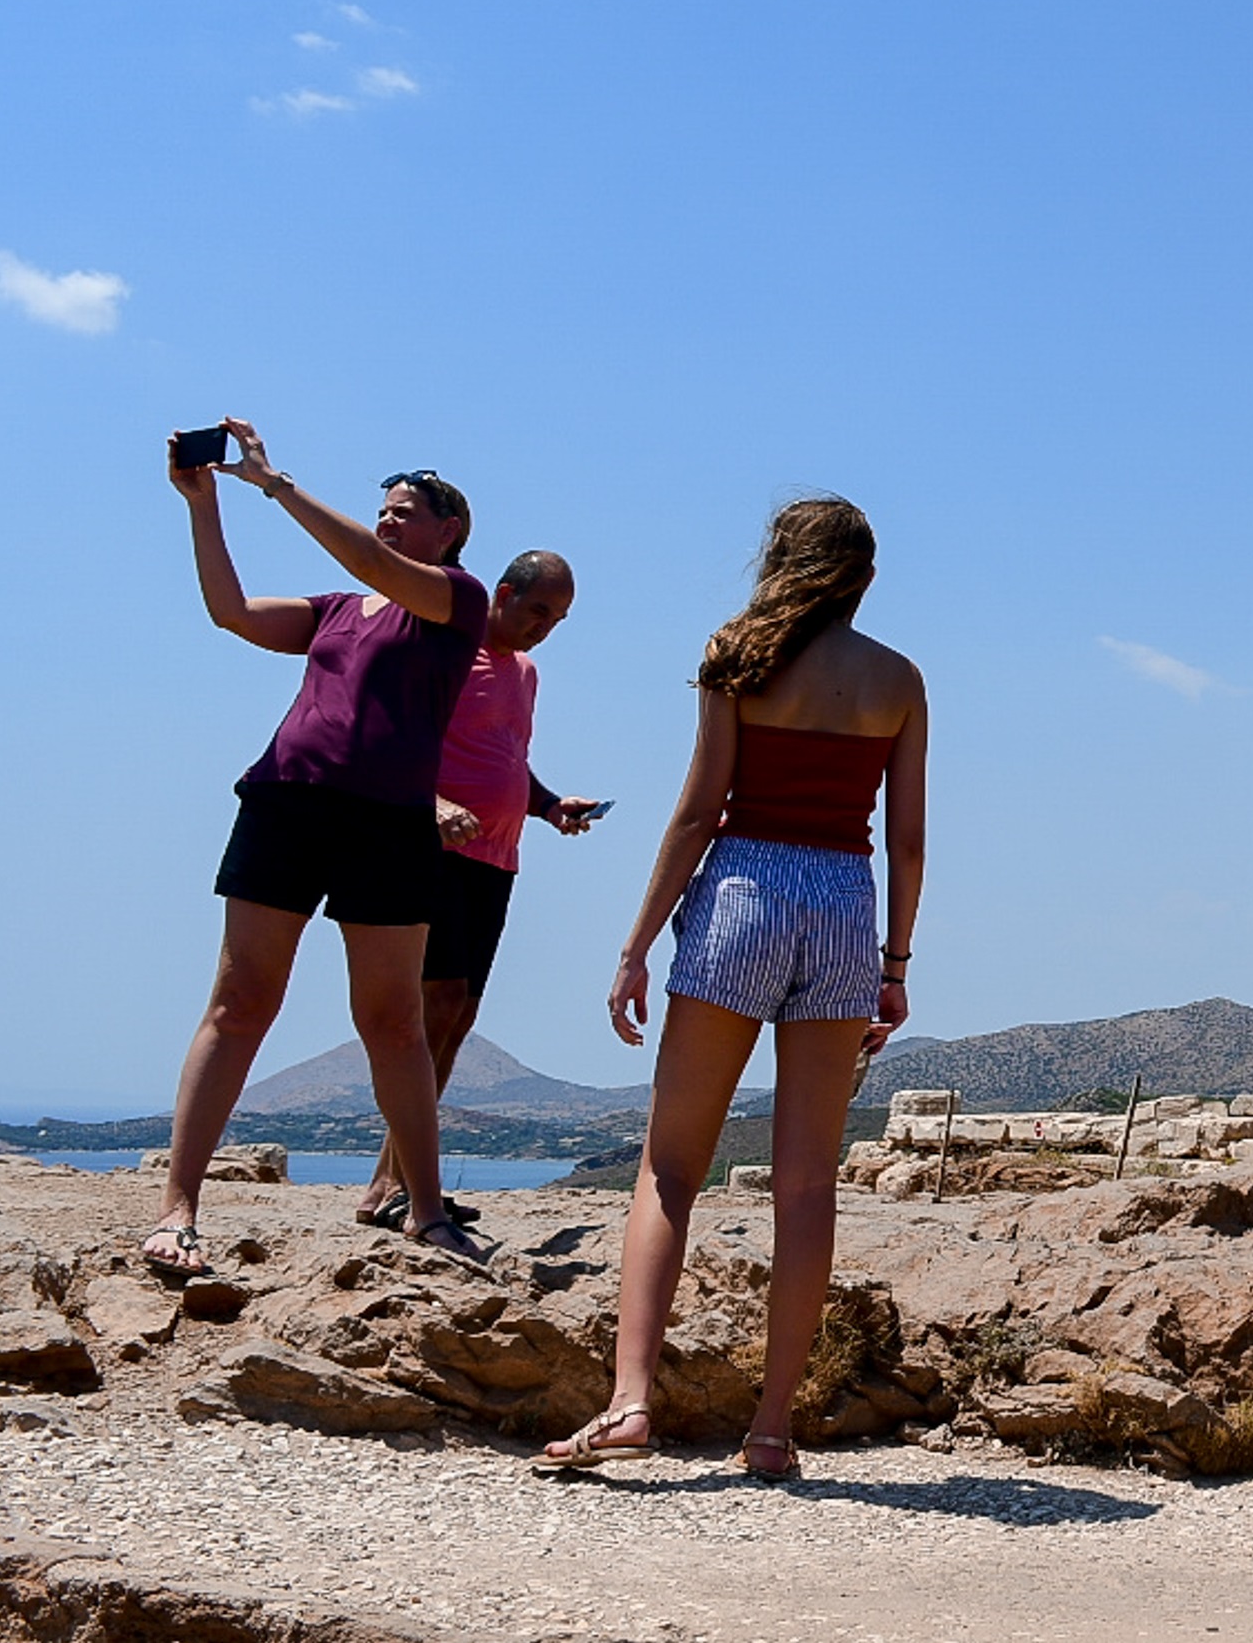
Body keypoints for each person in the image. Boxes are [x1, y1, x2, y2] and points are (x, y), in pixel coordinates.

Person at [540, 496, 923, 1480]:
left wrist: (633, 946)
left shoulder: (734, 653)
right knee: (806, 1187)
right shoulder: (898, 680)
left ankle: (630, 1404)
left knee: (672, 1167)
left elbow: (697, 809)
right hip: (845, 902)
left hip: (744, 890)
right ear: (864, 578)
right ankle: (772, 1430)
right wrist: (896, 965)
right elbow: (910, 838)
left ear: (778, 563)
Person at [156, 421, 497, 1277]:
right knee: (240, 1001)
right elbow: (232, 613)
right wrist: (205, 507)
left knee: (393, 1022)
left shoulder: (458, 598)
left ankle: (423, 1211)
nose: (387, 521)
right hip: (286, 803)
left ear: (447, 529)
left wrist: (276, 484)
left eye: (404, 510)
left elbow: (377, 569)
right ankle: (178, 1209)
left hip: (387, 822)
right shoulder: (338, 613)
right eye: (382, 509)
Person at [350, 550, 607, 1231]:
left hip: (496, 860)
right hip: (434, 849)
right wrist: (432, 803)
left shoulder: (525, 673)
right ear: (503, 593)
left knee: (456, 1016)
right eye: (538, 610)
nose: (545, 627)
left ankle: (404, 1173)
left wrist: (551, 806)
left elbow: (507, 760)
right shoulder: (449, 652)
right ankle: (387, 1182)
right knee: (430, 1010)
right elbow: (391, 738)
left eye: (558, 617)